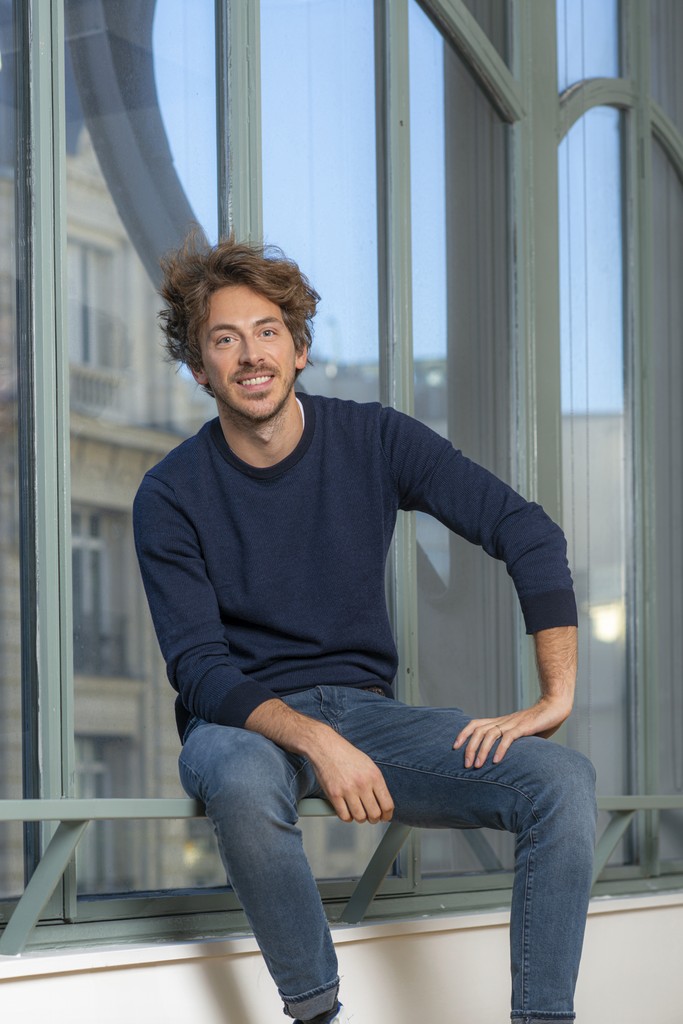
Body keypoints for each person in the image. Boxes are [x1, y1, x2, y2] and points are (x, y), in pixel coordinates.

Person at [133, 235, 597, 1024]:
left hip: (368, 715)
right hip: (241, 721)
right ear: (199, 368)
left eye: (267, 331)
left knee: (562, 783)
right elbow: (200, 668)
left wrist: (554, 695)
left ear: (301, 348)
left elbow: (525, 530)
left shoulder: (373, 437)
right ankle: (318, 1014)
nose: (250, 354)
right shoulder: (169, 493)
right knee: (240, 777)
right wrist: (316, 741)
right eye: (224, 339)